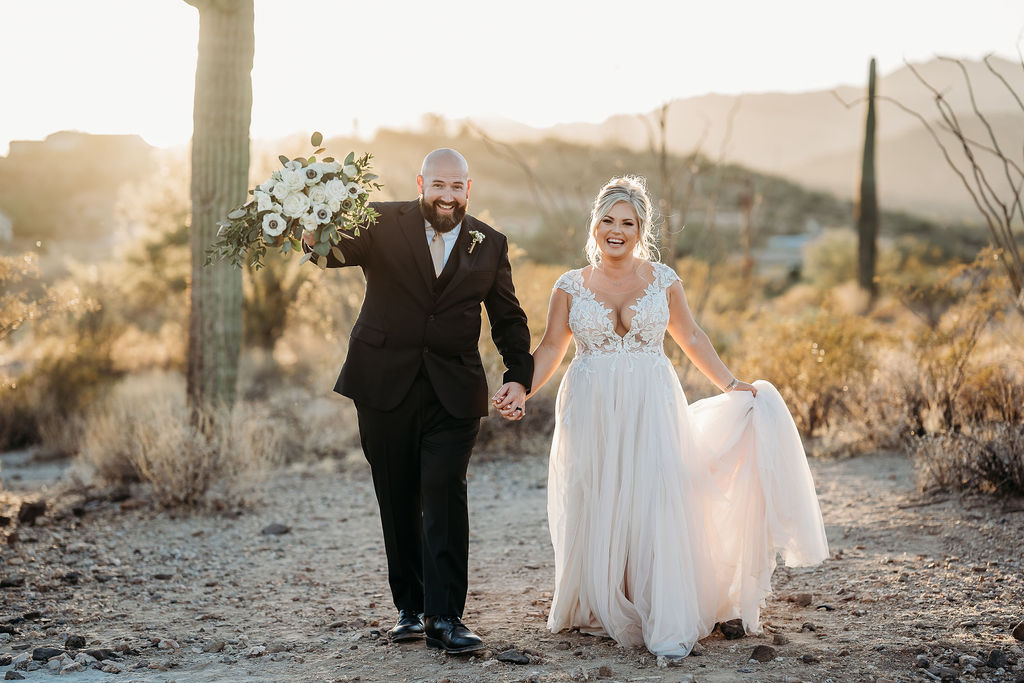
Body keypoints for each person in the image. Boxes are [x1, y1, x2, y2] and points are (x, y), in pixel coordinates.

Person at [519, 175, 829, 657]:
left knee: (653, 492)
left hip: (650, 401)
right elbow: (551, 347)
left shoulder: (663, 281)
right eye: (608, 220)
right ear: (594, 224)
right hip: (591, 406)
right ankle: (603, 599)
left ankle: (656, 602)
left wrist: (730, 383)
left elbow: (692, 336)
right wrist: (520, 388)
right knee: (599, 492)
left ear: (641, 229)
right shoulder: (568, 286)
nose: (615, 229)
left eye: (627, 221)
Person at [303, 148, 533, 654]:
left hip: (454, 389)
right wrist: (308, 228)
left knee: (444, 494)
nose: (447, 197)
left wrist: (519, 376)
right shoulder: (382, 221)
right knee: (397, 493)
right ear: (421, 183)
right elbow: (327, 254)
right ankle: (409, 607)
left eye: (457, 187)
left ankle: (446, 616)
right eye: (438, 186)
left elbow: (508, 319)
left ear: (468, 190)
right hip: (383, 382)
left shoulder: (489, 244)